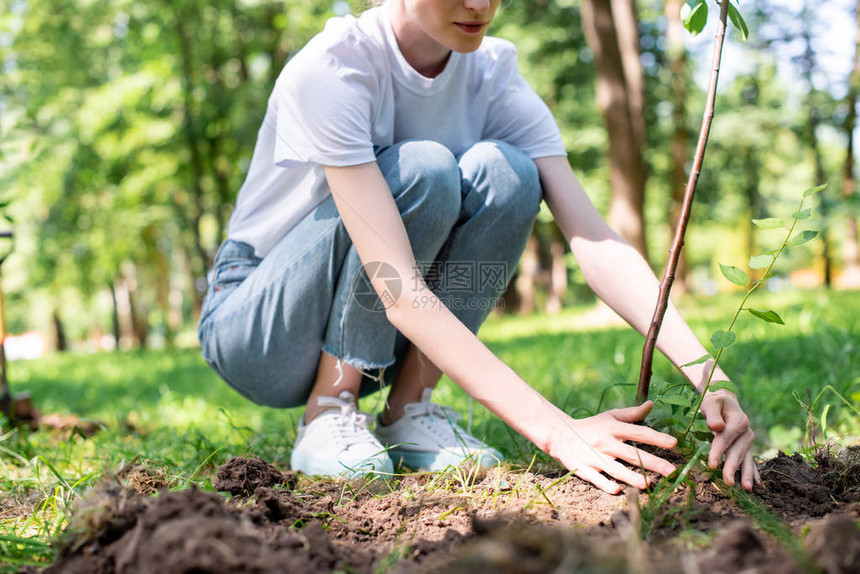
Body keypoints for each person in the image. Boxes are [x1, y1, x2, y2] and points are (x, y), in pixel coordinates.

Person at [197, 0, 761, 493]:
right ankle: (330, 408)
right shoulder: (334, 69)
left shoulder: (493, 73)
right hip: (259, 325)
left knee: (511, 173)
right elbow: (398, 289)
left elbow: (595, 241)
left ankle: (408, 408)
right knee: (423, 169)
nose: (479, 4)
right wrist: (557, 430)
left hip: (376, 318)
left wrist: (710, 376)